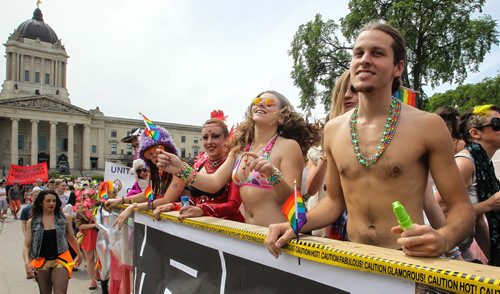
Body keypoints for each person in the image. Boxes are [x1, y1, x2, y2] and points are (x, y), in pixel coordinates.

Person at [265, 20, 474, 258]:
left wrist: (443, 239)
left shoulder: (427, 125)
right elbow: (334, 202)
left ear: (398, 67)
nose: (364, 59)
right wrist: (296, 224)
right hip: (355, 258)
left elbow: (461, 209)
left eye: (377, 53)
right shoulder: (334, 129)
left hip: (407, 260)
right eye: (358, 53)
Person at [156, 91, 320, 227]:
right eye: (257, 101)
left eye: (269, 102)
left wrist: (271, 174)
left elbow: (291, 200)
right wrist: (180, 168)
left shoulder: (288, 147)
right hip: (246, 235)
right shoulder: (240, 149)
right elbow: (213, 184)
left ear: (281, 118)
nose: (260, 104)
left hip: (276, 236)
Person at [154, 111, 244, 222]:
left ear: (227, 139)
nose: (209, 142)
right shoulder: (199, 164)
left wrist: (202, 210)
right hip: (200, 229)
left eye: (215, 136)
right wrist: (174, 206)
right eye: (205, 138)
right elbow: (194, 201)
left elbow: (233, 206)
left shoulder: (233, 164)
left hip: (228, 230)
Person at [305, 70, 358, 238]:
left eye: (354, 90)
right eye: (342, 91)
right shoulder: (317, 151)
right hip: (326, 225)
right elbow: (312, 189)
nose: (347, 96)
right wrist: (328, 151)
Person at [105, 127, 185, 229]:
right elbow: (149, 193)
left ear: (168, 149)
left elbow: (166, 200)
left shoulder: (179, 167)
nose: (155, 156)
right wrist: (121, 200)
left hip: (179, 225)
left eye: (158, 150)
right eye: (149, 154)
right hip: (163, 223)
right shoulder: (156, 172)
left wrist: (133, 207)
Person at [451, 105, 499, 266]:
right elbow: (440, 210)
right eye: (496, 124)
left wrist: (493, 259)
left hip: (463, 251)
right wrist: (489, 204)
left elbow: (477, 222)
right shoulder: (465, 163)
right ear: (475, 133)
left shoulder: (484, 163)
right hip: (448, 254)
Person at [22, 190, 82, 293]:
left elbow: (71, 238)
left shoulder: (65, 218)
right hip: (41, 261)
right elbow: (26, 246)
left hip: (61, 260)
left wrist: (79, 254)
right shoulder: (32, 222)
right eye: (48, 201)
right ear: (41, 203)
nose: (52, 203)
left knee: (60, 291)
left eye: (54, 201)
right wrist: (27, 264)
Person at [74, 188, 99, 289]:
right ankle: (92, 280)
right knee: (89, 259)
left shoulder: (99, 207)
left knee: (100, 257)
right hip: (87, 235)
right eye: (86, 195)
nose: (88, 198)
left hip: (99, 235)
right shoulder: (80, 209)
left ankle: (97, 273)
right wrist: (94, 225)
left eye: (90, 195)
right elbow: (79, 226)